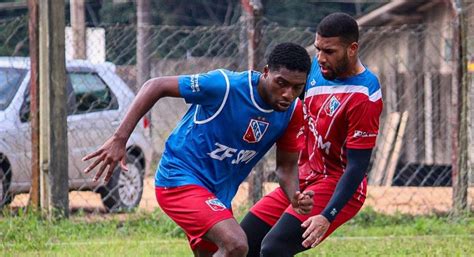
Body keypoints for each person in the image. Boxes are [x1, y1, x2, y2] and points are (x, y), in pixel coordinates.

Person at [82, 42, 314, 257]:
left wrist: (294, 194)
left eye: (296, 87)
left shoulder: (293, 112)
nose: (287, 94)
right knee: (236, 244)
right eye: (281, 83)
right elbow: (156, 85)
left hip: (218, 195)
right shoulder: (225, 86)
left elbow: (286, 167)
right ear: (265, 72)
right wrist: (120, 139)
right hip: (179, 178)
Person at [240, 12, 383, 257]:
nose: (320, 58)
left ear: (352, 49)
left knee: (274, 248)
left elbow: (358, 166)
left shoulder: (364, 94)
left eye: (329, 51)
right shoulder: (315, 69)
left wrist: (327, 216)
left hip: (337, 183)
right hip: (305, 178)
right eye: (318, 49)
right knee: (243, 241)